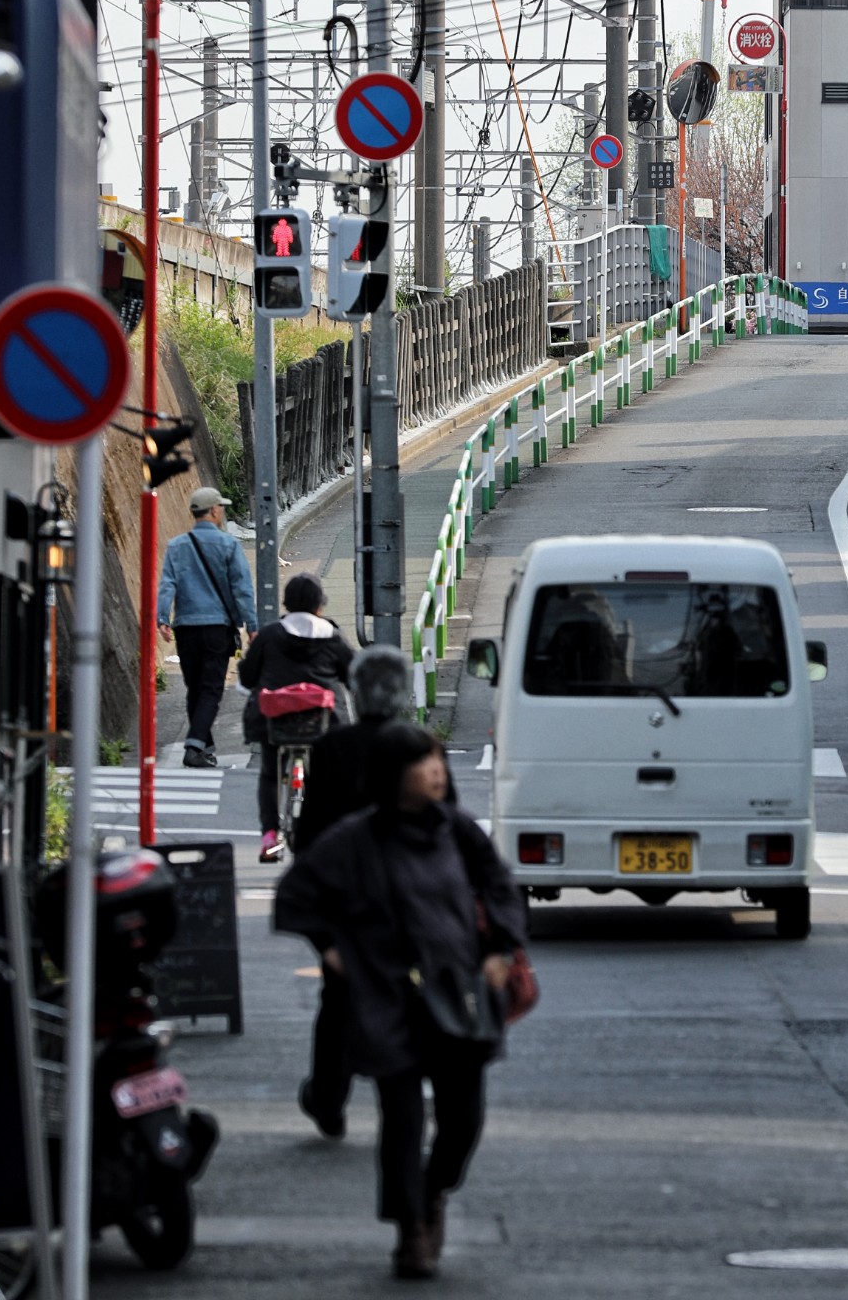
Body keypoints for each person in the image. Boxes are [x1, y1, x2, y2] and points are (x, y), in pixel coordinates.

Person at [275, 724, 526, 1281]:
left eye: (438, 760)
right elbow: (296, 893)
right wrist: (332, 949)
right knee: (403, 1119)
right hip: (387, 994)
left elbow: (500, 886)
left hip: (458, 990)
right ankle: (411, 1229)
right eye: (423, 763)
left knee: (463, 1118)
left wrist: (501, 950)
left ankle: (436, 1187)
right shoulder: (354, 838)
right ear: (394, 775)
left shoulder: (457, 830)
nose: (437, 771)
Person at [293, 645, 414, 1141]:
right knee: (409, 1001)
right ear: (403, 693)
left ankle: (328, 1099)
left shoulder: (331, 749)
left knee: (338, 1004)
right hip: (409, 907)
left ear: (355, 692)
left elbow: (310, 838)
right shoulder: (419, 747)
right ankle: (404, 1103)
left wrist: (320, 929)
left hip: (347, 906)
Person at [238, 574, 354, 864]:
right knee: (327, 776)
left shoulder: (269, 635)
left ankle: (269, 837)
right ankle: (322, 834)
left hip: (272, 720)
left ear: (286, 603)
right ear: (320, 605)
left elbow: (248, 676)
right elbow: (353, 675)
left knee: (269, 773)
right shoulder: (333, 636)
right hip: (323, 723)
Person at [156, 486, 256, 770]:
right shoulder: (229, 545)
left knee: (195, 689)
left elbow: (167, 584)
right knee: (211, 689)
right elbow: (242, 590)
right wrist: (252, 625)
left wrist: (162, 617)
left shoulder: (177, 545)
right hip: (216, 628)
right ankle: (193, 745)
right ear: (213, 511)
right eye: (220, 507)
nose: (222, 511)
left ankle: (204, 747)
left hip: (185, 627)